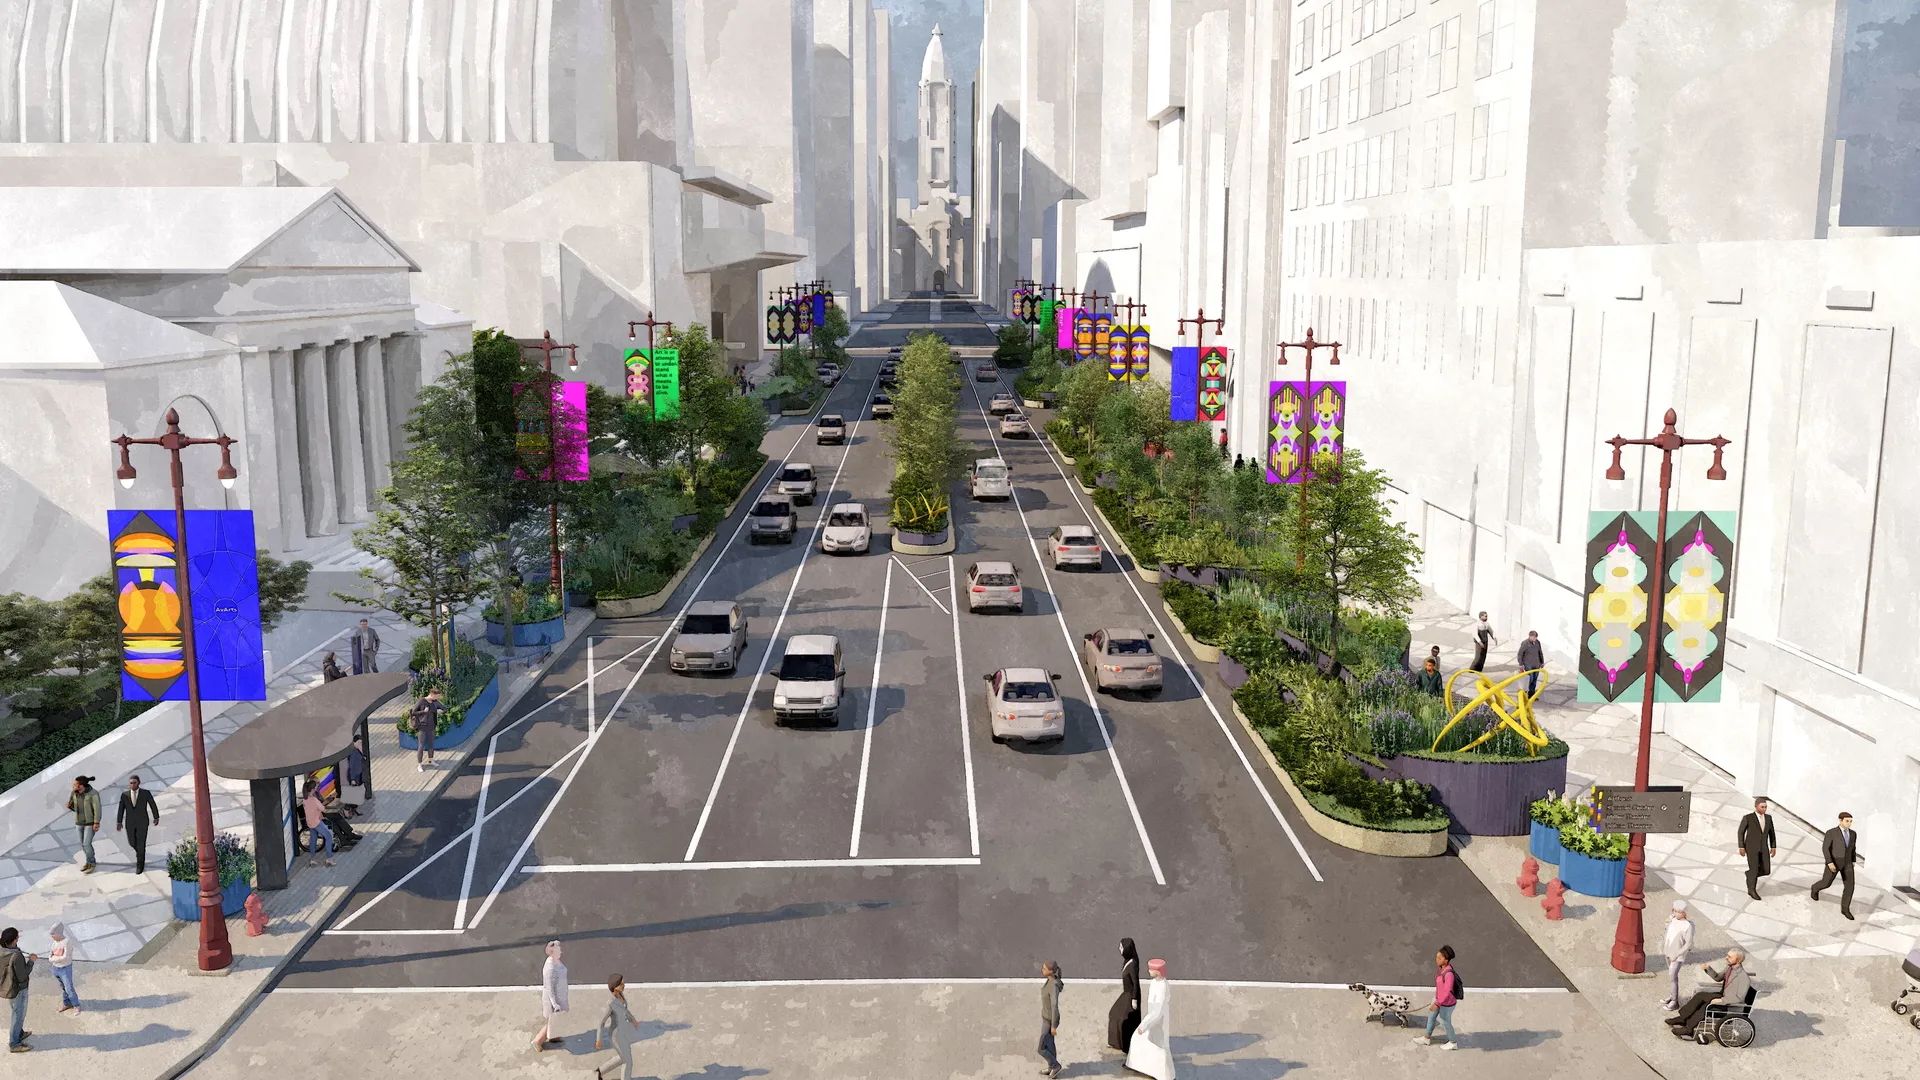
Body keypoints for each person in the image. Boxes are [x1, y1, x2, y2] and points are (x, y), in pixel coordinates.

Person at [1667, 949, 1751, 1038]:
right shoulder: (1729, 968)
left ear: (1738, 960)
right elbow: (1718, 978)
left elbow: (1739, 998)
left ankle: (1689, 1029)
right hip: (1722, 995)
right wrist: (1708, 968)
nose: (1726, 958)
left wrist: (1722, 1000)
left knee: (1706, 1005)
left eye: (1730, 957)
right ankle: (1683, 1018)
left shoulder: (1743, 977)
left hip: (1728, 1004)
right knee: (1700, 995)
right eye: (1727, 955)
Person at [1126, 958, 1175, 1078]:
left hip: (1156, 1021)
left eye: (1151, 969)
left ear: (1157, 971)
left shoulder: (1161, 987)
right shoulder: (1156, 983)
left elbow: (1157, 1011)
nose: (1148, 971)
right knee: (1153, 1044)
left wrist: (1144, 1025)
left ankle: (1165, 1075)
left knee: (1159, 1047)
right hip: (1153, 1019)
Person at [1811, 811, 1863, 920]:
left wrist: (1853, 860)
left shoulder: (1853, 833)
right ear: (1840, 820)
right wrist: (1829, 862)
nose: (1849, 823)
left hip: (1848, 863)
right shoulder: (1831, 833)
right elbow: (1825, 848)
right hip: (1834, 862)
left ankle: (1845, 909)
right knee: (1826, 883)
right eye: (1847, 821)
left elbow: (1853, 848)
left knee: (1850, 887)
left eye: (1851, 821)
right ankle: (1815, 888)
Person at [1413, 945, 1461, 1050]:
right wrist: (1436, 999)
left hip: (1447, 1004)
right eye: (1436, 957)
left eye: (1439, 958)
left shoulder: (1449, 974)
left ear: (1446, 960)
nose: (1437, 960)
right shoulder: (1442, 969)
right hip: (1439, 1000)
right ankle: (1426, 1038)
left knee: (1445, 1022)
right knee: (1431, 1017)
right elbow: (1440, 987)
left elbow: (1447, 991)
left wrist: (1437, 1003)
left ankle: (1453, 1042)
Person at [594, 973, 640, 1080]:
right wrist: (598, 1040)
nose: (623, 985)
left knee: (623, 1057)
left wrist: (633, 1020)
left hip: (623, 1033)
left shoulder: (621, 996)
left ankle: (600, 1071)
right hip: (616, 1036)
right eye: (621, 984)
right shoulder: (610, 1004)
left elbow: (625, 1010)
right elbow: (601, 1023)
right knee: (627, 1061)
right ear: (614, 988)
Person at [116, 773, 160, 874]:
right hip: (130, 823)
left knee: (141, 844)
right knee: (132, 842)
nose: (132, 785)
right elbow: (121, 809)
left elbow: (152, 804)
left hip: (142, 822)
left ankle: (140, 864)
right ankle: (140, 853)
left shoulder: (145, 793)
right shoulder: (125, 795)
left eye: (134, 783)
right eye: (130, 783)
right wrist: (119, 821)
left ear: (138, 783)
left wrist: (156, 817)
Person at [1, 926, 34, 1053]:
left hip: (7, 986)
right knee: (18, 1014)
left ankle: (19, 1033)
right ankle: (14, 1043)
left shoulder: (2, 950)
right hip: (19, 989)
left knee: (16, 1011)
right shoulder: (17, 956)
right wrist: (31, 961)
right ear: (14, 940)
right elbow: (22, 976)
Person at [1737, 797, 1777, 900]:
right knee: (1754, 870)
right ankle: (1751, 890)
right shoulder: (1748, 818)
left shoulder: (1768, 818)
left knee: (1766, 870)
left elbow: (1771, 833)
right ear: (1756, 807)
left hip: (1764, 847)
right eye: (1762, 807)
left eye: (1765, 807)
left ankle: (1749, 875)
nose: (1764, 809)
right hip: (1751, 848)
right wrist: (1741, 846)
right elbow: (1741, 832)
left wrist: (1773, 846)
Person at [533, 940, 569, 1051]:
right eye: (558, 950)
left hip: (560, 996)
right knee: (553, 1020)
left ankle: (554, 1036)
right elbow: (549, 988)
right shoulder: (550, 968)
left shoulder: (556, 962)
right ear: (552, 952)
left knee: (557, 1020)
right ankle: (537, 1041)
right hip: (554, 999)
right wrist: (555, 1004)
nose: (561, 952)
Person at [1660, 901, 1695, 1011]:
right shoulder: (1672, 920)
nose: (1676, 913)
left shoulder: (1687, 926)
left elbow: (1688, 943)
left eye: (1679, 912)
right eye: (1674, 911)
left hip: (1677, 956)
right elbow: (1667, 931)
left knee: (1673, 977)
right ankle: (1672, 996)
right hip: (1668, 951)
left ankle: (1675, 1001)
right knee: (1671, 978)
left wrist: (1677, 954)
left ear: (1685, 913)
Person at [1107, 937, 1141, 1053]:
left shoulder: (1132, 965)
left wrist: (1134, 999)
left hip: (1130, 995)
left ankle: (1126, 1045)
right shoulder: (1128, 960)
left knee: (1124, 1020)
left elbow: (1135, 983)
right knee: (1113, 1014)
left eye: (1121, 947)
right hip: (1126, 993)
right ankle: (1116, 1042)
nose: (1119, 949)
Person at [67, 776, 101, 873]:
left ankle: (92, 863)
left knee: (86, 844)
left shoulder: (93, 794)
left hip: (89, 823)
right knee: (83, 844)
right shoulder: (74, 793)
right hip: (79, 823)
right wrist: (70, 806)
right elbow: (73, 806)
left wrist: (96, 822)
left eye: (75, 784)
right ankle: (88, 862)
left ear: (81, 785)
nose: (73, 786)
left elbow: (97, 809)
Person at [1038, 960, 1063, 1079]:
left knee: (1041, 1048)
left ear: (1051, 971)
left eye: (1044, 968)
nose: (1042, 970)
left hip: (1049, 1021)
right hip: (1046, 1018)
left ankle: (1055, 1066)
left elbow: (1054, 1007)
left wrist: (1053, 1026)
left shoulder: (1053, 986)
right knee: (1050, 1045)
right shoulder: (1050, 981)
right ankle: (1051, 1067)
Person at [302, 781, 335, 868]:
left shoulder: (305, 799)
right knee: (328, 836)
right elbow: (323, 809)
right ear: (312, 789)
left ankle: (312, 859)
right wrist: (326, 802)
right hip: (316, 822)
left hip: (310, 822)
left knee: (313, 840)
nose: (317, 788)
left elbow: (313, 810)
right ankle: (329, 858)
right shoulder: (314, 800)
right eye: (316, 787)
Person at [410, 689, 444, 771]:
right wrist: (423, 712)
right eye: (437, 696)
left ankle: (431, 760)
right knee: (421, 745)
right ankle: (420, 765)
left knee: (431, 744)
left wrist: (440, 711)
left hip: (431, 726)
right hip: (422, 727)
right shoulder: (422, 701)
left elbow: (444, 708)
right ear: (432, 695)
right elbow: (413, 712)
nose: (437, 698)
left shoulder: (435, 702)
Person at [47, 923, 77, 1014]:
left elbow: (65, 957)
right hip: (56, 969)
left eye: (53, 934)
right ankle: (67, 1003)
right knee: (63, 987)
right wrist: (53, 959)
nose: (52, 937)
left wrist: (53, 959)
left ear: (58, 933)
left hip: (65, 968)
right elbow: (50, 955)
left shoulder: (67, 942)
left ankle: (76, 1005)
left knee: (69, 988)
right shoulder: (54, 943)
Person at [1516, 631, 1545, 696]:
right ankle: (1524, 694)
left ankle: (1531, 695)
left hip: (1536, 664)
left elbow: (1540, 652)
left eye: (1536, 637)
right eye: (1534, 637)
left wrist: (1542, 662)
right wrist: (1521, 664)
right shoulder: (1525, 643)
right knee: (1530, 679)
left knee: (1534, 680)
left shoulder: (1538, 642)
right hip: (1528, 665)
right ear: (1530, 636)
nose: (1535, 639)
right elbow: (1520, 654)